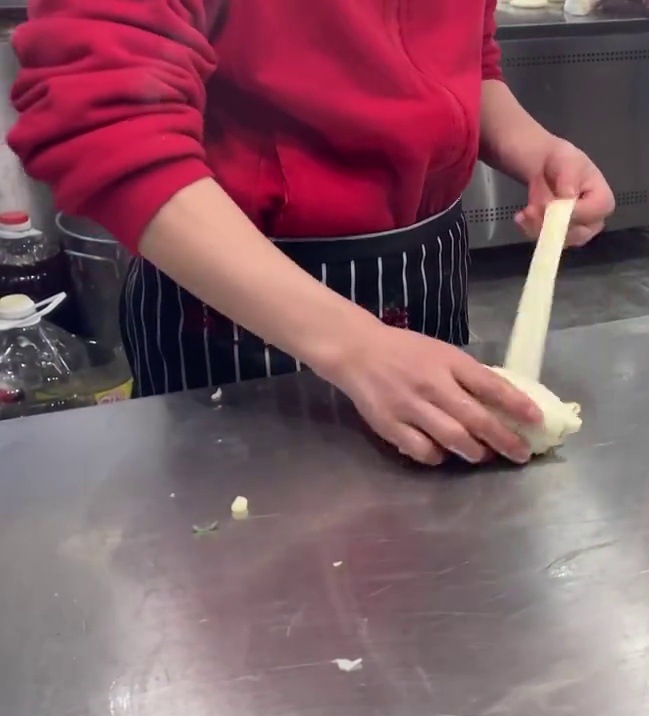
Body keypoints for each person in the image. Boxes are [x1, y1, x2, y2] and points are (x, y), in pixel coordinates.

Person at [9, 0, 616, 466]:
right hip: (234, 313)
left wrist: (535, 148)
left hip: (424, 275)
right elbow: (107, 127)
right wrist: (355, 346)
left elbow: (463, 62)